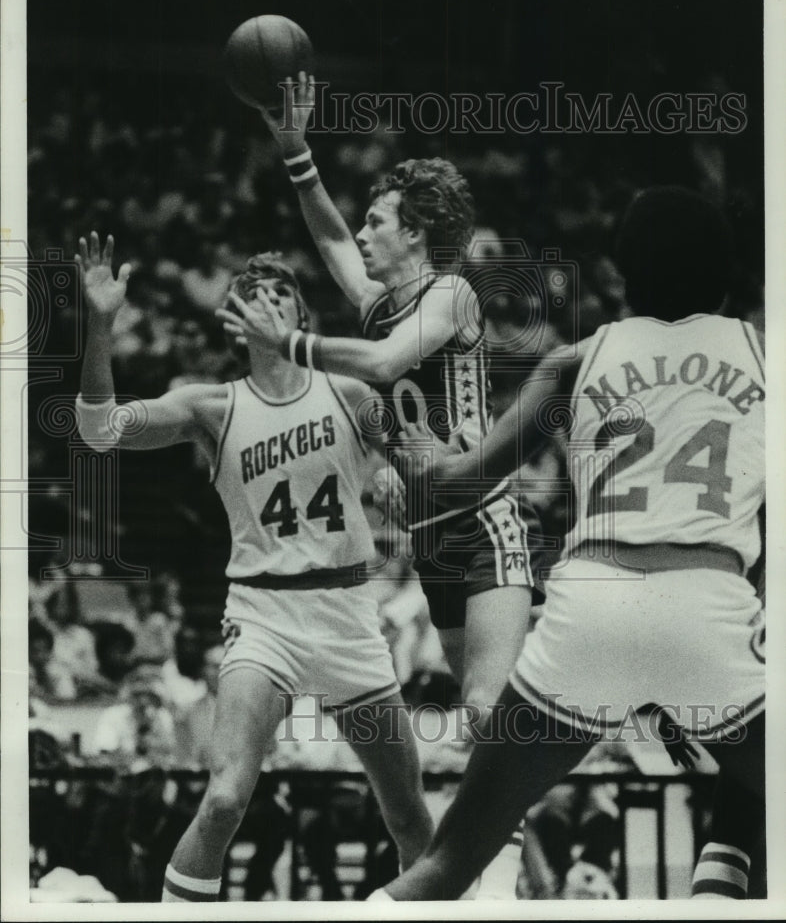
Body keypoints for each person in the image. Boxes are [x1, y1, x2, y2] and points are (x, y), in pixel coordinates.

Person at [369, 185, 765, 900]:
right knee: (757, 800)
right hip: (707, 605)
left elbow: (460, 482)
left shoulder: (576, 359)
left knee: (446, 863)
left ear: (620, 273)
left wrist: (421, 460)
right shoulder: (766, 360)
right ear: (729, 275)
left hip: (588, 611)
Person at [223, 86, 543, 895]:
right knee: (483, 718)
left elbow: (386, 363)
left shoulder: (452, 293)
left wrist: (287, 338)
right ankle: (514, 858)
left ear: (418, 233)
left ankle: (510, 872)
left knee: (482, 708)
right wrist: (297, 155)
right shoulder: (379, 303)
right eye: (365, 220)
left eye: (378, 221)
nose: (363, 231)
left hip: (484, 518)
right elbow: (328, 234)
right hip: (430, 535)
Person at [74, 232, 433, 902]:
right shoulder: (210, 404)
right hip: (262, 616)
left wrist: (396, 478)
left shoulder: (353, 394)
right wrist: (97, 327)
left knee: (409, 814)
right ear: (234, 322)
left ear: (302, 318)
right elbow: (100, 431)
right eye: (252, 295)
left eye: (281, 293)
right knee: (223, 799)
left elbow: (425, 474)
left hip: (349, 614)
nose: (267, 301)